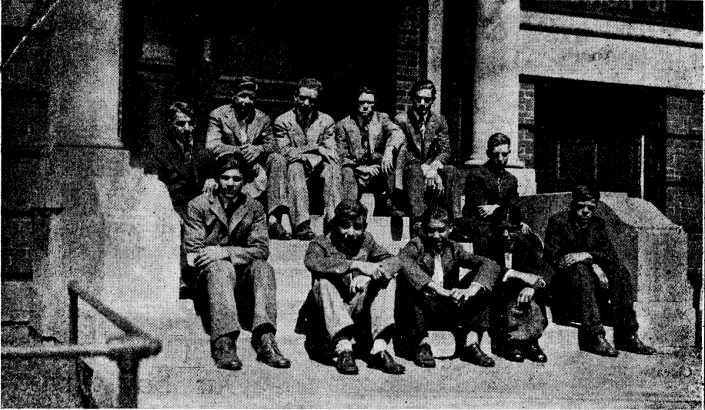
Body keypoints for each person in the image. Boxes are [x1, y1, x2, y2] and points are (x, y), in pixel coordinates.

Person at [183, 152, 291, 371]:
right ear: (216, 179)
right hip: (209, 279)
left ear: (245, 182)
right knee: (221, 267)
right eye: (225, 178)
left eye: (236, 179)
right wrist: (219, 257)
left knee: (263, 268)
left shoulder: (254, 208)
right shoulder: (199, 205)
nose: (230, 184)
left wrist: (224, 252)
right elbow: (194, 252)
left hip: (239, 277)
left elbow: (260, 250)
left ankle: (265, 338)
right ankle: (224, 342)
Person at [544, 184, 656, 357]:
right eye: (581, 206)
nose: (586, 212)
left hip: (588, 283)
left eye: (591, 207)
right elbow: (555, 258)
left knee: (621, 272)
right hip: (564, 289)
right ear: (573, 205)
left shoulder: (598, 223)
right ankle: (593, 336)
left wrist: (587, 256)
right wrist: (584, 261)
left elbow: (610, 255)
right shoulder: (558, 222)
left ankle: (627, 334)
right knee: (581, 270)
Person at [297, 200, 405, 375]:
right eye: (345, 226)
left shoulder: (367, 240)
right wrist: (355, 265)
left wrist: (369, 277)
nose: (351, 232)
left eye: (357, 227)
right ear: (335, 224)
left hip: (355, 310)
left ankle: (379, 348)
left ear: (365, 226)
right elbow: (313, 262)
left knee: (387, 280)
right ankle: (343, 348)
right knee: (323, 282)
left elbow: (395, 261)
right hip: (327, 315)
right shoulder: (321, 243)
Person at [396, 207, 501, 368]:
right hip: (420, 310)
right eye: (431, 230)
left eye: (441, 230)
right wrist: (438, 289)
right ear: (423, 230)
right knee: (409, 283)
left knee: (481, 284)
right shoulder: (417, 245)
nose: (436, 235)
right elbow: (403, 260)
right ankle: (422, 344)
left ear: (450, 228)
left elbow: (489, 264)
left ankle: (471, 344)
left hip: (447, 308)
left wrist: (471, 289)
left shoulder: (454, 248)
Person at [205, 76, 291, 240]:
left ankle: (273, 220)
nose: (246, 101)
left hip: (254, 168)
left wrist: (258, 149)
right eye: (243, 96)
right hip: (230, 164)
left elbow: (273, 146)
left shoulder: (262, 118)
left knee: (278, 159)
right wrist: (240, 151)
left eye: (251, 97)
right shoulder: (218, 115)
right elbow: (212, 145)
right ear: (233, 95)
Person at [274, 77, 342, 240]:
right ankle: (301, 225)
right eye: (302, 98)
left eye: (311, 100)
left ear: (317, 101)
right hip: (296, 169)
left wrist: (314, 155)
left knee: (333, 166)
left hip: (319, 167)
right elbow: (285, 151)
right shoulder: (282, 121)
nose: (306, 103)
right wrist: (315, 148)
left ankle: (333, 223)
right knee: (295, 166)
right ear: (295, 97)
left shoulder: (326, 121)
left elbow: (331, 150)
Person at [394, 79, 463, 237]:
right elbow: (403, 151)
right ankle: (418, 221)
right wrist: (424, 168)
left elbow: (446, 151)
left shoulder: (439, 121)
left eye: (427, 99)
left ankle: (455, 221)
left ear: (433, 100)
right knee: (414, 171)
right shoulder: (402, 120)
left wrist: (433, 168)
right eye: (419, 99)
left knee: (451, 171)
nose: (422, 103)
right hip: (411, 169)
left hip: (431, 168)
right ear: (413, 99)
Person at [487, 206, 554, 363]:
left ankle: (531, 341)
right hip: (500, 291)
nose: (505, 235)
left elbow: (544, 267)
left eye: (510, 230)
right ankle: (512, 342)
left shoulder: (528, 242)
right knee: (509, 296)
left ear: (520, 227)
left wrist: (532, 286)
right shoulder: (489, 242)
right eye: (501, 229)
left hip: (524, 289)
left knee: (533, 298)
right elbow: (490, 268)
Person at [334, 86, 405, 214]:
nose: (366, 106)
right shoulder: (343, 125)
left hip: (377, 169)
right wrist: (362, 168)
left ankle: (392, 201)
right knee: (346, 170)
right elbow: (341, 155)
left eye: (370, 103)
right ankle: (351, 209)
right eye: (362, 102)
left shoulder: (381, 118)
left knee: (397, 150)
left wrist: (389, 149)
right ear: (356, 103)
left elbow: (398, 133)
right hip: (355, 170)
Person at [462, 132, 519, 256]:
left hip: (502, 222)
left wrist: (496, 207)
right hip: (478, 222)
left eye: (504, 154)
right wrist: (504, 207)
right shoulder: (477, 175)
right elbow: (481, 210)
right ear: (488, 154)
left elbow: (515, 205)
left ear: (509, 153)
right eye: (495, 154)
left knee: (528, 240)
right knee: (486, 234)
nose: (500, 159)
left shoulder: (511, 179)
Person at [149, 101, 206, 219]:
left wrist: (213, 180)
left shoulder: (203, 152)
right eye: (181, 124)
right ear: (170, 124)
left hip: (201, 211)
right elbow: (153, 188)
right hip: (173, 212)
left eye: (191, 123)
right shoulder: (159, 154)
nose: (187, 129)